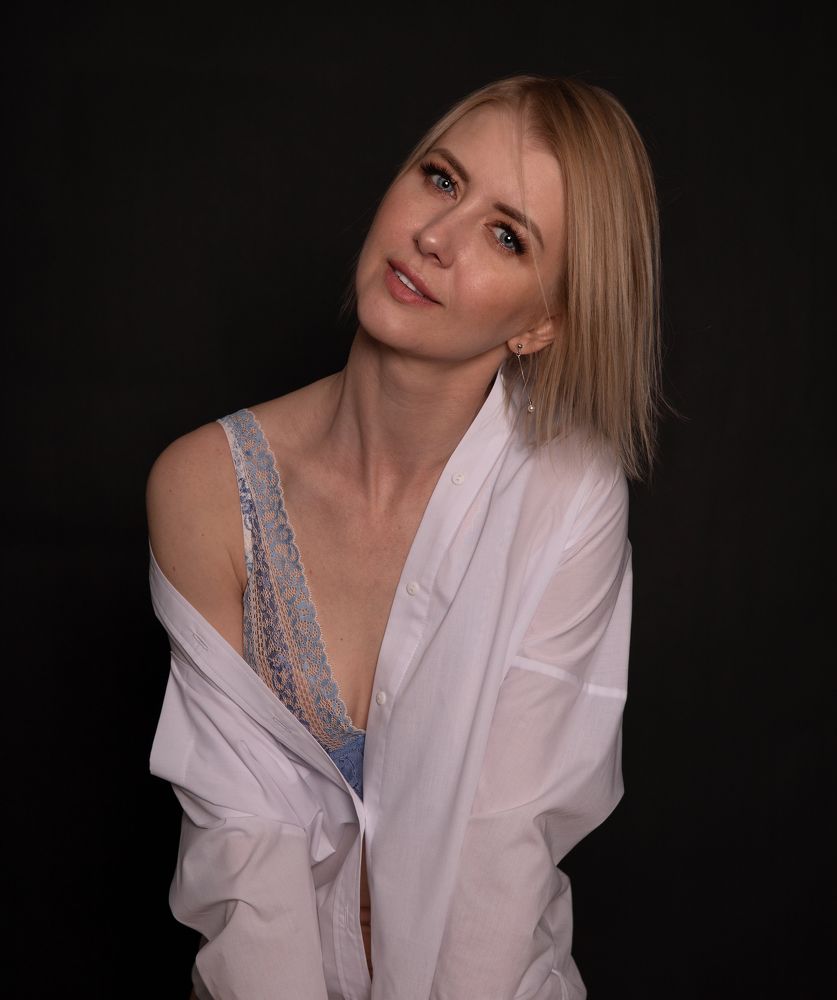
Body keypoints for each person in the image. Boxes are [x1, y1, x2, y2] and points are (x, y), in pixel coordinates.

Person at [146, 73, 661, 1000]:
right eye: (440, 178)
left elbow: (498, 852)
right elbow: (245, 857)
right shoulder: (204, 489)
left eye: (506, 235)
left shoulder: (565, 496)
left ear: (542, 322)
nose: (435, 236)